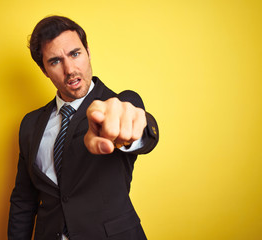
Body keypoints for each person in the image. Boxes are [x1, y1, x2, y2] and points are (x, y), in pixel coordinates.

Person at [8, 15, 159, 240]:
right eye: (55, 61)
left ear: (88, 52)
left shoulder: (119, 103)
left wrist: (129, 132)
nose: (70, 69)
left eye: (75, 54)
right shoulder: (30, 125)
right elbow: (24, 199)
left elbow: (141, 130)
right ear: (44, 70)